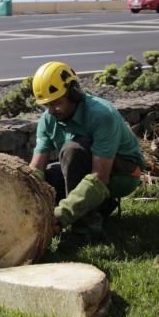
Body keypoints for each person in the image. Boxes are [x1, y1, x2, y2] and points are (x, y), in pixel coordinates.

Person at [28, 61, 146, 241]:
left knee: (72, 151)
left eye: (57, 103)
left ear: (73, 93)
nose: (52, 110)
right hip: (87, 167)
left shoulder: (101, 115)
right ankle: (102, 206)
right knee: (48, 178)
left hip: (123, 174)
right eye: (47, 105)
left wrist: (60, 217)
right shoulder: (48, 119)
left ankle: (85, 232)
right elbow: (36, 168)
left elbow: (100, 177)